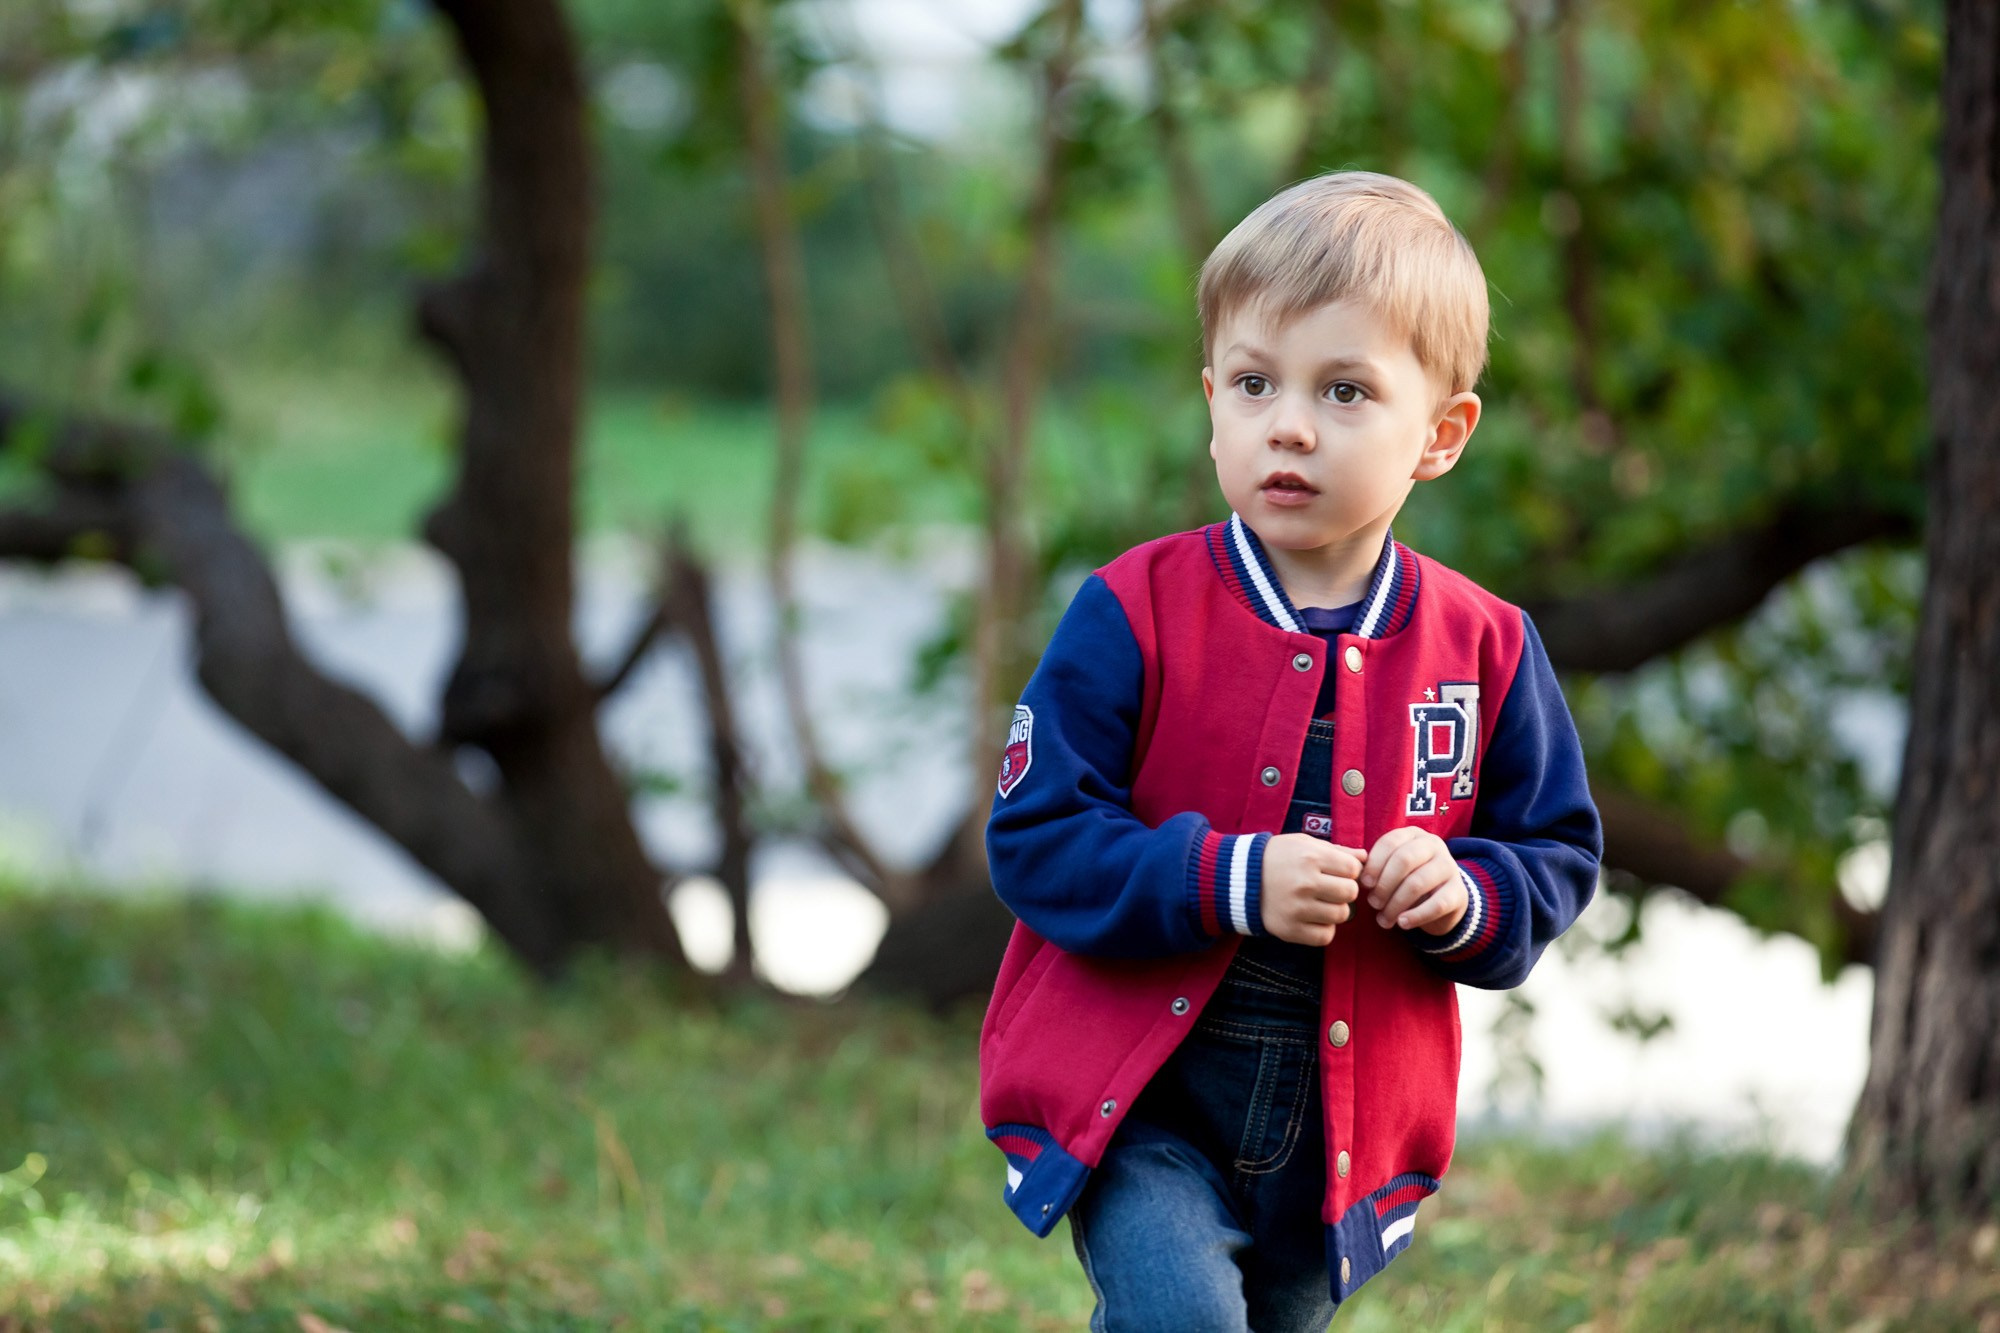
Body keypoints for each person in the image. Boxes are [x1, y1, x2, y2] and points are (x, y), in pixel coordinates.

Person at [977, 170, 1604, 1330]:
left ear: (1440, 435)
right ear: (1210, 399)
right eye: (1254, 382)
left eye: (1344, 390)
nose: (1289, 425)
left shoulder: (1485, 646)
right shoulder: (1132, 609)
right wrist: (1226, 874)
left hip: (1339, 1129)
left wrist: (1462, 892)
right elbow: (1035, 835)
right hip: (1144, 1099)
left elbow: (1554, 852)